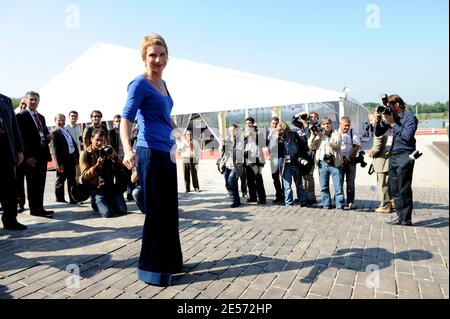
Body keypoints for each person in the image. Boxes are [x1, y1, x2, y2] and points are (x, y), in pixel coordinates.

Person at [120, 33, 183, 286]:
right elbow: (126, 117)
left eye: (161, 54)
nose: (157, 59)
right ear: (143, 57)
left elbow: (166, 115)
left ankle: (171, 263)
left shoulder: (164, 84)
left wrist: (179, 134)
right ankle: (152, 270)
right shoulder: (139, 83)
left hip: (167, 153)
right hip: (149, 153)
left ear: (168, 56)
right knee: (157, 212)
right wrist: (127, 149)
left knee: (170, 212)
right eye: (152, 55)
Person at [375, 95, 418, 226]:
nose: (389, 108)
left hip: (405, 154)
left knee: (404, 187)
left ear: (398, 105)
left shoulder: (410, 117)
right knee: (394, 189)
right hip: (392, 155)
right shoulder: (392, 117)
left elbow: (407, 136)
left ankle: (406, 219)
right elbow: (378, 133)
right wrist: (378, 121)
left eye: (391, 105)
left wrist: (393, 123)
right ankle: (400, 217)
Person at [16, 91, 54, 218]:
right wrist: (27, 156)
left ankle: (39, 207)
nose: (33, 102)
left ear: (39, 101)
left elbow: (44, 132)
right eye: (31, 99)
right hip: (31, 156)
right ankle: (35, 209)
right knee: (32, 184)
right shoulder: (21, 116)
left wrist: (49, 137)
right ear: (26, 101)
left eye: (36, 99)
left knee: (40, 183)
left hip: (42, 154)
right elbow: (21, 138)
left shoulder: (41, 117)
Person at [79, 129, 128, 218]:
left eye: (102, 140)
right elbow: (85, 175)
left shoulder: (108, 149)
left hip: (110, 185)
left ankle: (109, 201)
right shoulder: (85, 153)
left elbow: (122, 166)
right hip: (96, 188)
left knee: (122, 210)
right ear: (91, 139)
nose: (99, 143)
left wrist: (114, 157)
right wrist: (97, 165)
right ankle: (94, 201)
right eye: (97, 140)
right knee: (107, 213)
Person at [0, 93, 26, 230]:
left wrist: (19, 150)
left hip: (6, 149)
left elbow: (14, 127)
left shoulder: (5, 100)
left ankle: (10, 219)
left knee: (9, 187)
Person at [308, 118, 344, 210]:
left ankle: (339, 206)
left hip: (335, 164)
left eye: (328, 123)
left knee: (338, 188)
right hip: (322, 164)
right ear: (322, 125)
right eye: (324, 124)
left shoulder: (337, 134)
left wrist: (324, 136)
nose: (326, 125)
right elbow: (311, 146)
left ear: (331, 124)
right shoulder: (319, 135)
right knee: (324, 187)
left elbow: (336, 144)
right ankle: (326, 205)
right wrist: (313, 135)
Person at [277, 122, 311, 207]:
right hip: (285, 164)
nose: (283, 133)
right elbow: (273, 151)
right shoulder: (278, 139)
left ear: (288, 130)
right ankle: (289, 203)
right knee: (287, 185)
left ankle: (303, 202)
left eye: (284, 131)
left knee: (299, 184)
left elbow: (304, 145)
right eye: (280, 132)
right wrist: (276, 140)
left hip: (296, 162)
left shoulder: (295, 136)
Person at [50, 114, 80, 204]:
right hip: (62, 161)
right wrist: (58, 164)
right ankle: (60, 199)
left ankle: (73, 199)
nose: (62, 122)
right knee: (61, 180)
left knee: (72, 179)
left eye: (63, 120)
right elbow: (53, 149)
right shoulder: (54, 132)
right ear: (55, 121)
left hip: (70, 158)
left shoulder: (65, 130)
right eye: (59, 120)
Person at [367, 112, 393, 214]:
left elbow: (376, 147)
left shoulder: (379, 130)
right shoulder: (387, 127)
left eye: (371, 120)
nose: (370, 122)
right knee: (387, 184)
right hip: (388, 160)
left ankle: (385, 206)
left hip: (381, 162)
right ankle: (391, 202)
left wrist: (369, 153)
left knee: (382, 186)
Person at [292, 111, 319, 205]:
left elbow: (310, 140)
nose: (312, 118)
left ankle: (311, 197)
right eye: (310, 116)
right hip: (302, 155)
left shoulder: (315, 127)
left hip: (311, 155)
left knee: (309, 176)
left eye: (314, 117)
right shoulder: (302, 126)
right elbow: (293, 121)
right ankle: (304, 196)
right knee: (303, 177)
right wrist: (300, 114)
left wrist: (307, 124)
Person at [220, 124, 245, 208]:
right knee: (227, 183)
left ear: (237, 130)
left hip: (236, 165)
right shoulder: (226, 139)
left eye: (233, 130)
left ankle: (236, 200)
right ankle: (233, 197)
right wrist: (222, 144)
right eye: (230, 130)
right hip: (227, 164)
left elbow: (240, 152)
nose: (232, 132)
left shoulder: (240, 140)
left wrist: (230, 147)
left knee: (231, 180)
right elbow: (220, 151)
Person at [339, 116, 361, 210]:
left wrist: (348, 158)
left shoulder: (353, 132)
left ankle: (350, 201)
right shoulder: (336, 133)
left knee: (350, 183)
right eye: (345, 126)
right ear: (340, 124)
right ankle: (339, 202)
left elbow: (356, 146)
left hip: (351, 160)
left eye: (348, 125)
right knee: (339, 182)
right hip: (339, 161)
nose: (347, 127)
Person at [243, 117, 266, 204]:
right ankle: (253, 197)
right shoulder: (244, 133)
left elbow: (263, 143)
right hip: (247, 158)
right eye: (246, 123)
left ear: (253, 124)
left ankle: (262, 198)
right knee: (249, 179)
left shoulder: (258, 132)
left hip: (257, 159)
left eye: (249, 123)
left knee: (258, 179)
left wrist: (253, 135)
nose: (248, 125)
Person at [267, 116, 284, 204]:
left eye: (276, 123)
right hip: (273, 157)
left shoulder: (282, 133)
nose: (274, 125)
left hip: (280, 156)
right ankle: (279, 195)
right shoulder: (269, 133)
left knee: (283, 176)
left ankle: (285, 196)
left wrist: (277, 136)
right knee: (275, 177)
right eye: (273, 123)